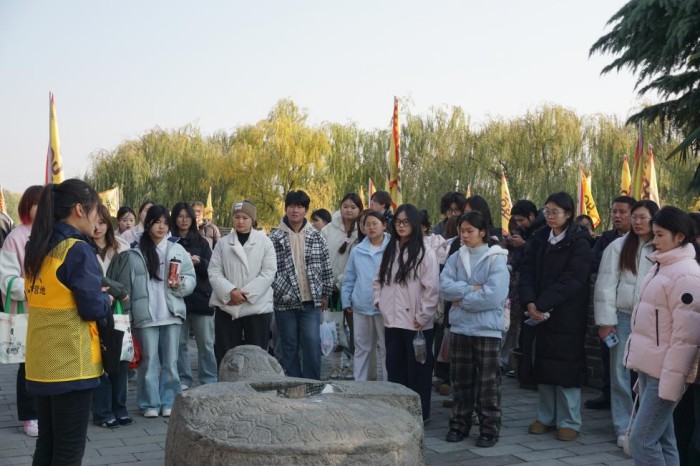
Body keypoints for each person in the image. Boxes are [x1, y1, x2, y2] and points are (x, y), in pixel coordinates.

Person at [23, 179, 111, 464]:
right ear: (79, 209)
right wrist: (105, 300)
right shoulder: (76, 249)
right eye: (96, 209)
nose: (98, 218)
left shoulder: (38, 246)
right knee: (68, 451)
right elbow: (91, 308)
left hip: (41, 363)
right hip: (72, 363)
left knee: (47, 444)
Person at [625, 206, 700, 464]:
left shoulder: (687, 274)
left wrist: (671, 382)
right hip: (651, 367)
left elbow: (686, 339)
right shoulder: (662, 265)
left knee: (642, 440)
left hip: (665, 372)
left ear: (680, 237)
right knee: (664, 439)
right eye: (654, 234)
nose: (654, 240)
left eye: (659, 235)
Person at [106, 205, 195, 418]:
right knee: (148, 361)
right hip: (145, 316)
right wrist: (129, 314)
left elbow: (190, 277)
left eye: (165, 223)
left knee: (171, 362)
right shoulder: (135, 253)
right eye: (157, 222)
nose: (161, 227)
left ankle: (169, 400)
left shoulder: (176, 250)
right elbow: (127, 286)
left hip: (171, 313)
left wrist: (181, 284)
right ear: (148, 224)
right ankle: (149, 403)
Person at [519, 192, 592, 441]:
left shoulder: (579, 242)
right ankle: (546, 416)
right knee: (543, 363)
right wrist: (530, 301)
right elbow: (526, 271)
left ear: (568, 214)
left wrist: (543, 302)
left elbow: (574, 279)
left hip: (567, 313)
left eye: (555, 212)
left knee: (566, 366)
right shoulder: (540, 238)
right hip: (539, 311)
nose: (550, 216)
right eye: (547, 211)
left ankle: (569, 420)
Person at [441, 210, 509, 447]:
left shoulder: (496, 258)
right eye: (462, 231)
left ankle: (489, 428)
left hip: (486, 329)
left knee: (488, 382)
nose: (464, 235)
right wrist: (472, 289)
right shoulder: (456, 257)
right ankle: (459, 424)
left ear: (482, 232)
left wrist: (462, 301)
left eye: (469, 231)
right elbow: (445, 287)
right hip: (460, 328)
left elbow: (494, 295)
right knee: (460, 379)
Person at [594, 200, 659, 448]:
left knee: (649, 374)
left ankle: (645, 425)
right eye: (635, 217)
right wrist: (605, 321)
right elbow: (605, 286)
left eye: (643, 217)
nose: (637, 222)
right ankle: (623, 427)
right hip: (622, 317)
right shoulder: (618, 246)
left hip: (652, 319)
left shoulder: (662, 246)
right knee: (619, 373)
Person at [374, 204, 440, 423]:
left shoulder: (425, 252)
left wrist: (423, 315)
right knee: (395, 368)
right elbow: (378, 280)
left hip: (415, 322)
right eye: (397, 222)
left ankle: (420, 414)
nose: (401, 226)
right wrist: (380, 302)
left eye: (406, 222)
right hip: (392, 321)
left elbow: (431, 289)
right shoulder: (390, 249)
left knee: (418, 371)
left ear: (415, 224)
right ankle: (398, 413)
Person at [270, 190, 333, 380]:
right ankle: (293, 382)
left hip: (311, 300)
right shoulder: (274, 236)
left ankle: (312, 383)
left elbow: (326, 265)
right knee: (288, 345)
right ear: (286, 208)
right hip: (284, 301)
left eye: (299, 206)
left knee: (311, 342)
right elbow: (269, 269)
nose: (295, 210)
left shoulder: (316, 236)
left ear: (306, 210)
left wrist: (325, 293)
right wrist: (278, 288)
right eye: (291, 206)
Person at [209, 200, 276, 365]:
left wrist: (245, 295)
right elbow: (214, 272)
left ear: (252, 220)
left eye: (245, 218)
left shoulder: (265, 242)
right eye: (237, 217)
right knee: (226, 356)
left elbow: (268, 272)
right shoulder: (223, 243)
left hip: (257, 307)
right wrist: (231, 291)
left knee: (256, 357)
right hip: (228, 305)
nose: (240, 221)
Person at [0, 185, 43, 437]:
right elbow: (7, 280)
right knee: (28, 365)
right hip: (27, 312)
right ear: (27, 206)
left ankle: (46, 412)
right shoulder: (15, 237)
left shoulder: (54, 234)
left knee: (47, 363)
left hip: (52, 311)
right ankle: (30, 415)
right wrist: (36, 288)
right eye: (38, 203)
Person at [586, 195, 635, 411]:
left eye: (622, 212)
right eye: (614, 211)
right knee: (610, 358)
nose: (617, 216)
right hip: (612, 310)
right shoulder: (608, 239)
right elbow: (593, 261)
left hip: (635, 310)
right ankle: (609, 396)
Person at [170, 202, 217, 388]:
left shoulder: (201, 242)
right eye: (180, 216)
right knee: (179, 344)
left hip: (200, 298)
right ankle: (184, 379)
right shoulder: (169, 242)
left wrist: (199, 262)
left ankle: (208, 378)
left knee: (205, 343)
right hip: (177, 298)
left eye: (187, 217)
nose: (184, 220)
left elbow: (212, 268)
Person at [341, 211, 390, 382]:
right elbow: (349, 277)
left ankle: (389, 386)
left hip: (386, 307)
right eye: (367, 224)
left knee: (386, 348)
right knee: (362, 347)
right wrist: (346, 299)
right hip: (361, 305)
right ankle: (361, 383)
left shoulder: (393, 247)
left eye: (375, 223)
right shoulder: (357, 250)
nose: (371, 227)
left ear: (384, 225)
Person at [321, 193, 363, 379]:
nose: (349, 210)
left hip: (354, 289)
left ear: (359, 209)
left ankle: (354, 364)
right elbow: (321, 256)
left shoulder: (363, 229)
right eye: (345, 206)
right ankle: (335, 366)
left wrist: (344, 279)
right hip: (333, 289)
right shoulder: (329, 229)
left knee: (355, 329)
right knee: (334, 328)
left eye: (353, 207)